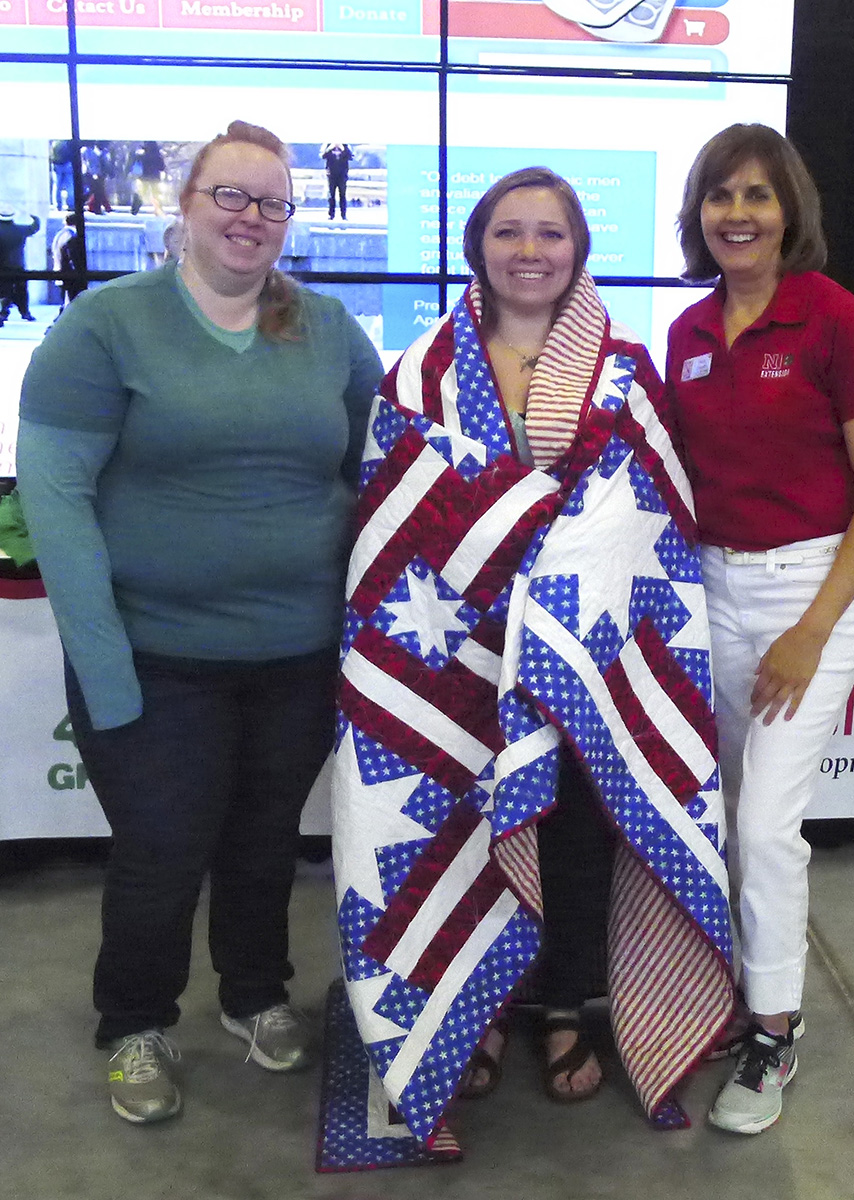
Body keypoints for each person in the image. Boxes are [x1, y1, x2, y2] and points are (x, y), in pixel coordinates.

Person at [331, 167, 732, 1160]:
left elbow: (641, 527)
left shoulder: (626, 374)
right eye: (508, 231)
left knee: (579, 834)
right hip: (451, 659)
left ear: (578, 250)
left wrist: (556, 615)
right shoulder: (417, 374)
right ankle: (480, 1010)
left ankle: (566, 1004)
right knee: (457, 829)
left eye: (550, 234)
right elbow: (393, 522)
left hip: (584, 661)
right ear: (478, 245)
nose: (528, 251)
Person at [16, 120, 383, 1126]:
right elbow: (56, 499)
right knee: (162, 849)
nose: (250, 218)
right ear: (184, 206)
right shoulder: (104, 328)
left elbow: (382, 465)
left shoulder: (325, 328)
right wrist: (108, 671)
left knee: (266, 840)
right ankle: (135, 1022)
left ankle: (255, 993)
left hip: (297, 655)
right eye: (230, 196)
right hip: (154, 657)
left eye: (271, 203)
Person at [666, 123, 854, 1135]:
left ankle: (775, 1031)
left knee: (767, 825)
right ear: (699, 215)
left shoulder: (834, 318)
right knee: (726, 819)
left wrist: (810, 630)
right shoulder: (685, 333)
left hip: (813, 584)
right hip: (710, 588)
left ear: (789, 210)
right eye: (721, 196)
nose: (738, 213)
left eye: (757, 195)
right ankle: (735, 994)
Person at [0, 209, 40, 325]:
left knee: (3, 291)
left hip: (2, 267)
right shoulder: (20, 230)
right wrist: (34, 216)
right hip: (17, 265)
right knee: (21, 291)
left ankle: (2, 313)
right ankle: (25, 313)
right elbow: (35, 227)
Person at [320, 143, 352, 220]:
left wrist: (343, 149)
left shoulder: (345, 146)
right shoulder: (328, 145)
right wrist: (330, 148)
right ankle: (331, 215)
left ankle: (343, 215)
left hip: (342, 176)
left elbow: (350, 157)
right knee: (331, 196)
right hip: (331, 176)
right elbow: (323, 156)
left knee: (342, 196)